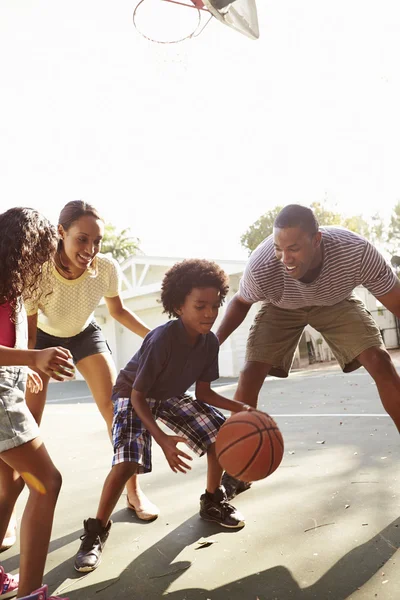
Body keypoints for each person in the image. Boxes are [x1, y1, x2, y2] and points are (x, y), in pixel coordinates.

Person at [73, 259, 253, 573]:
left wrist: (241, 409)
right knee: (129, 460)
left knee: (219, 437)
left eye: (215, 305)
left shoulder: (209, 342)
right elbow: (139, 396)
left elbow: (204, 394)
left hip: (169, 395)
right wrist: (162, 439)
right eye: (200, 306)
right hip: (133, 394)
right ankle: (96, 531)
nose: (209, 313)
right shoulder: (162, 339)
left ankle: (212, 500)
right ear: (178, 306)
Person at [216, 203, 400, 500]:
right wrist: (213, 344)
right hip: (281, 307)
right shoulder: (263, 264)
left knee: (380, 361)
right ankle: (235, 471)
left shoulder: (356, 252)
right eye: (279, 247)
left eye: (294, 248)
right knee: (250, 373)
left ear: (317, 240)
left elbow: (395, 299)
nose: (285, 258)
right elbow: (240, 303)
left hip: (335, 302)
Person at [23, 200, 159, 524]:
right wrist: (30, 366)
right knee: (28, 423)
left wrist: (155, 335)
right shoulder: (38, 269)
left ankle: (133, 491)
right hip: (41, 339)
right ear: (61, 232)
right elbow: (28, 335)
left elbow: (118, 311)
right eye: (82, 239)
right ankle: (11, 503)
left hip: (85, 334)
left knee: (117, 410)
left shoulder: (106, 268)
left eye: (97, 241)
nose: (90, 249)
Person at [0, 207, 75, 599]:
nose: (47, 260)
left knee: (8, 485)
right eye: (43, 251)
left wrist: (22, 365)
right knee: (46, 482)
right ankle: (31, 594)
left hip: (7, 385)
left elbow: (10, 340)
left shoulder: (13, 285)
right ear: (23, 247)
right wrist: (32, 359)